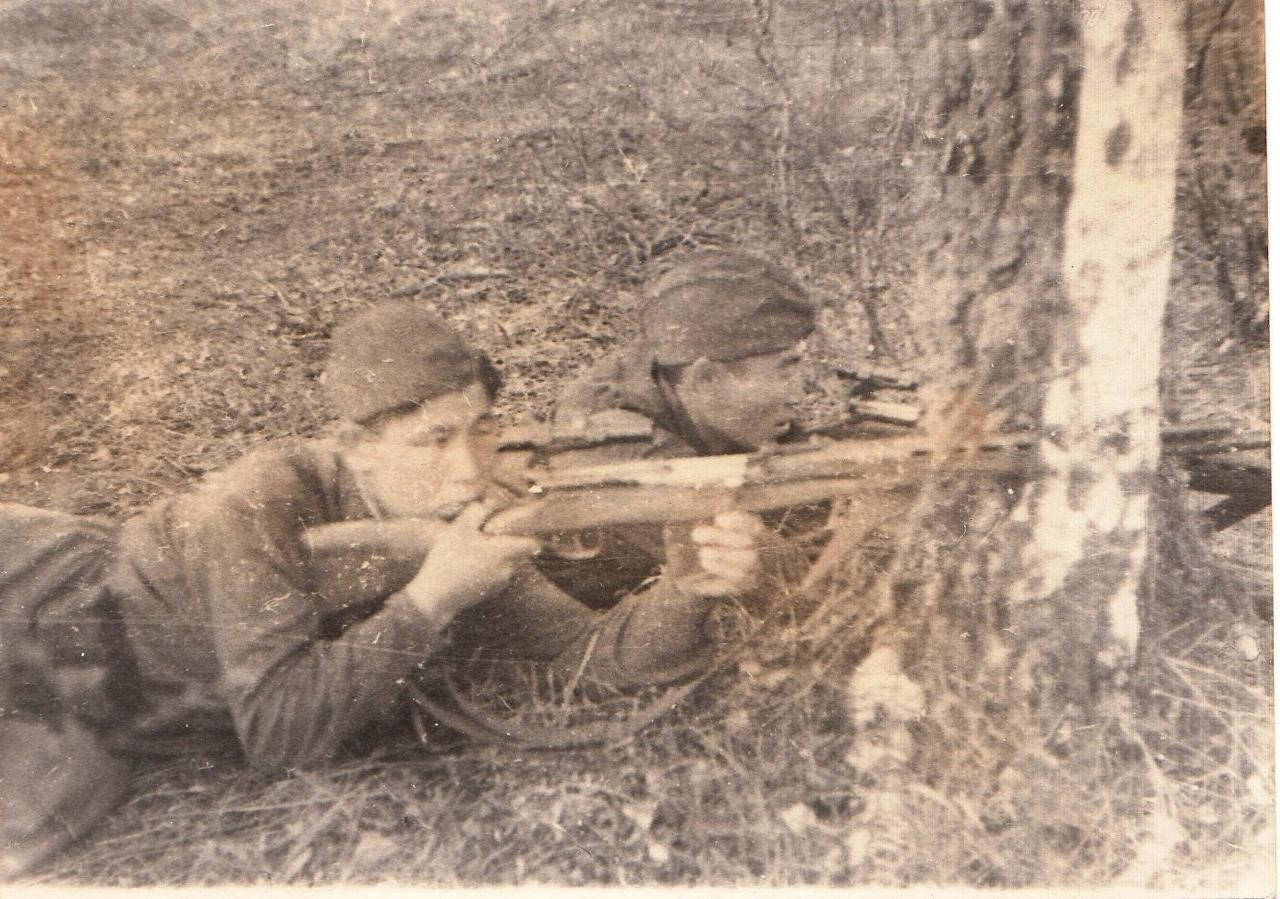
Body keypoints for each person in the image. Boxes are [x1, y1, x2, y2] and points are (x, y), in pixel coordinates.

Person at [0, 300, 763, 876]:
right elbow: (280, 735)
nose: (467, 468)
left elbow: (588, 660)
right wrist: (432, 598)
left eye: (481, 427)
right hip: (41, 598)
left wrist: (689, 588)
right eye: (432, 439)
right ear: (356, 449)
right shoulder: (256, 503)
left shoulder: (450, 520)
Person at [533, 249, 821, 610]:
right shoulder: (616, 444)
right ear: (706, 378)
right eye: (785, 370)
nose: (803, 391)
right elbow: (747, 576)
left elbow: (806, 505)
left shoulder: (688, 371)